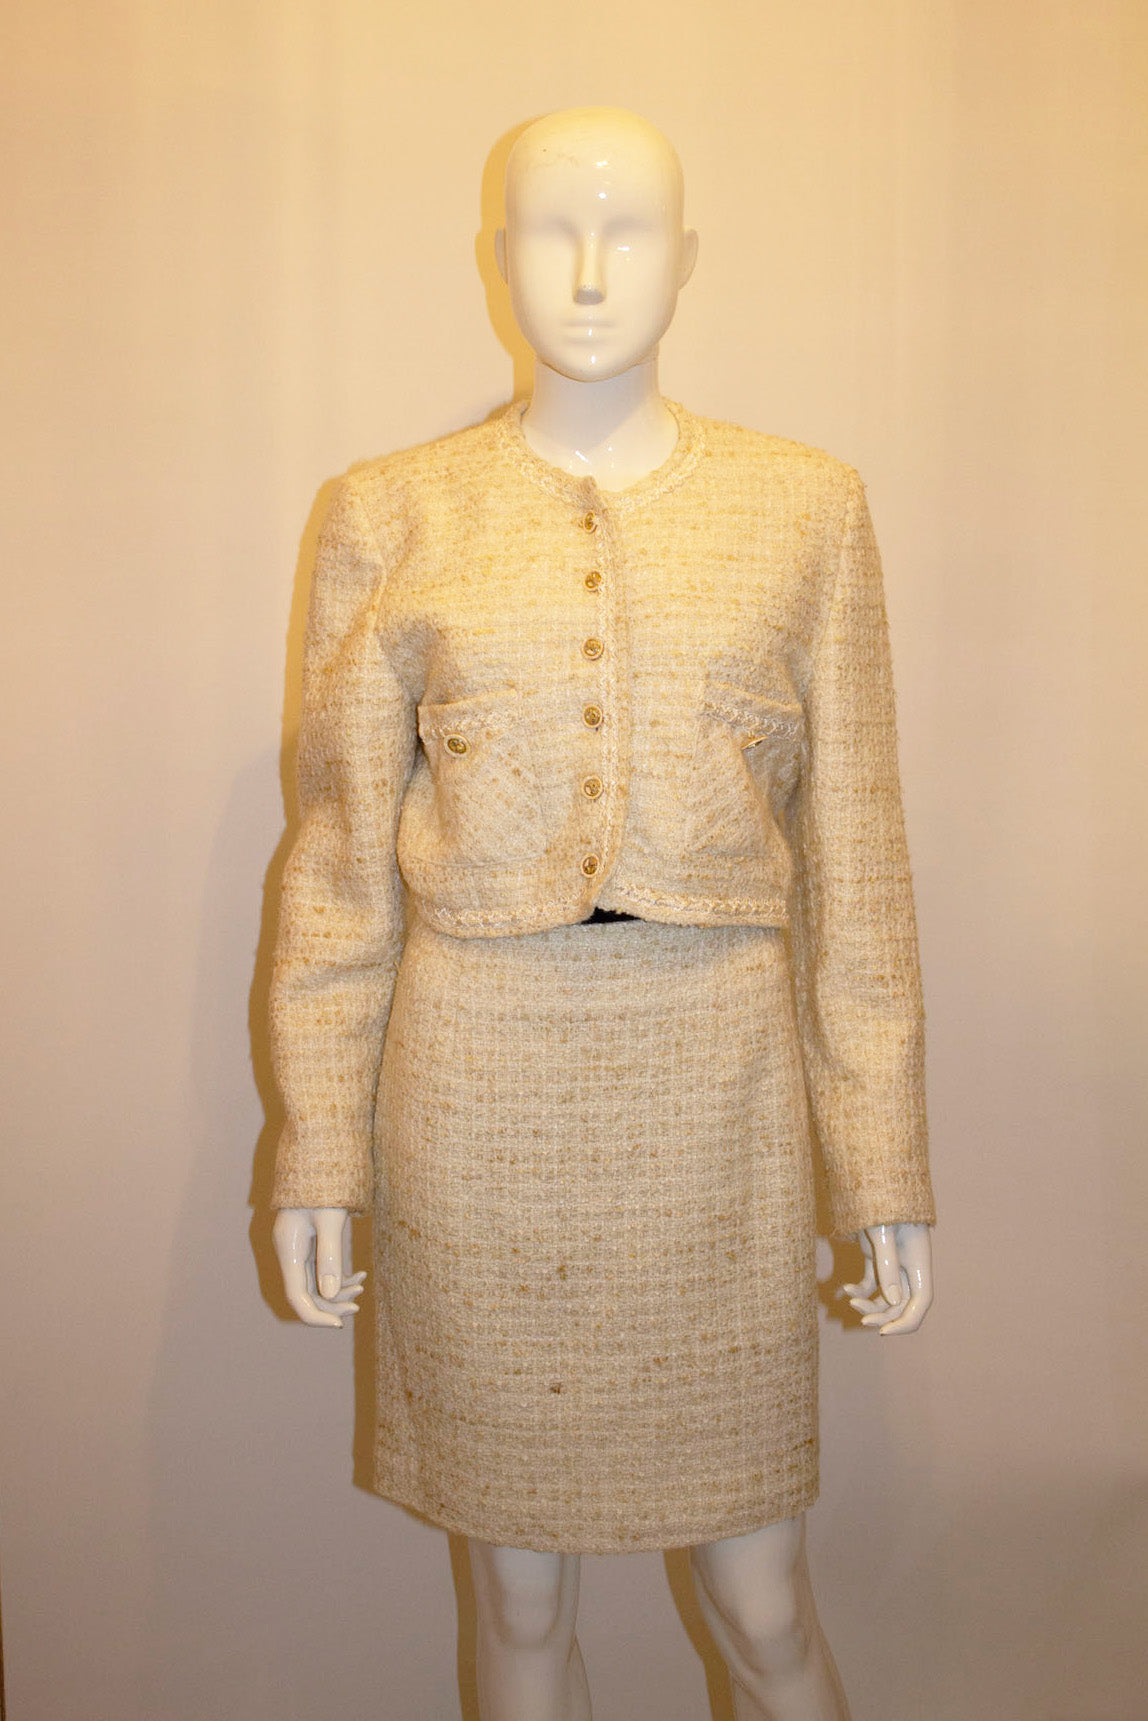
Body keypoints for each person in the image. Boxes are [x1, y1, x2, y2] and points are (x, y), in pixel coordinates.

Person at [268, 106, 936, 1721]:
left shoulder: (807, 508)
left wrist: (883, 1163)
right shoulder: (391, 511)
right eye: (549, 233)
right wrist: (319, 1149)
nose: (585, 272)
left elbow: (860, 867)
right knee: (515, 1592)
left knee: (764, 1597)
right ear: (493, 258)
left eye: (628, 231)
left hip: (719, 1103)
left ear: (686, 259)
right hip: (473, 1101)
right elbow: (340, 870)